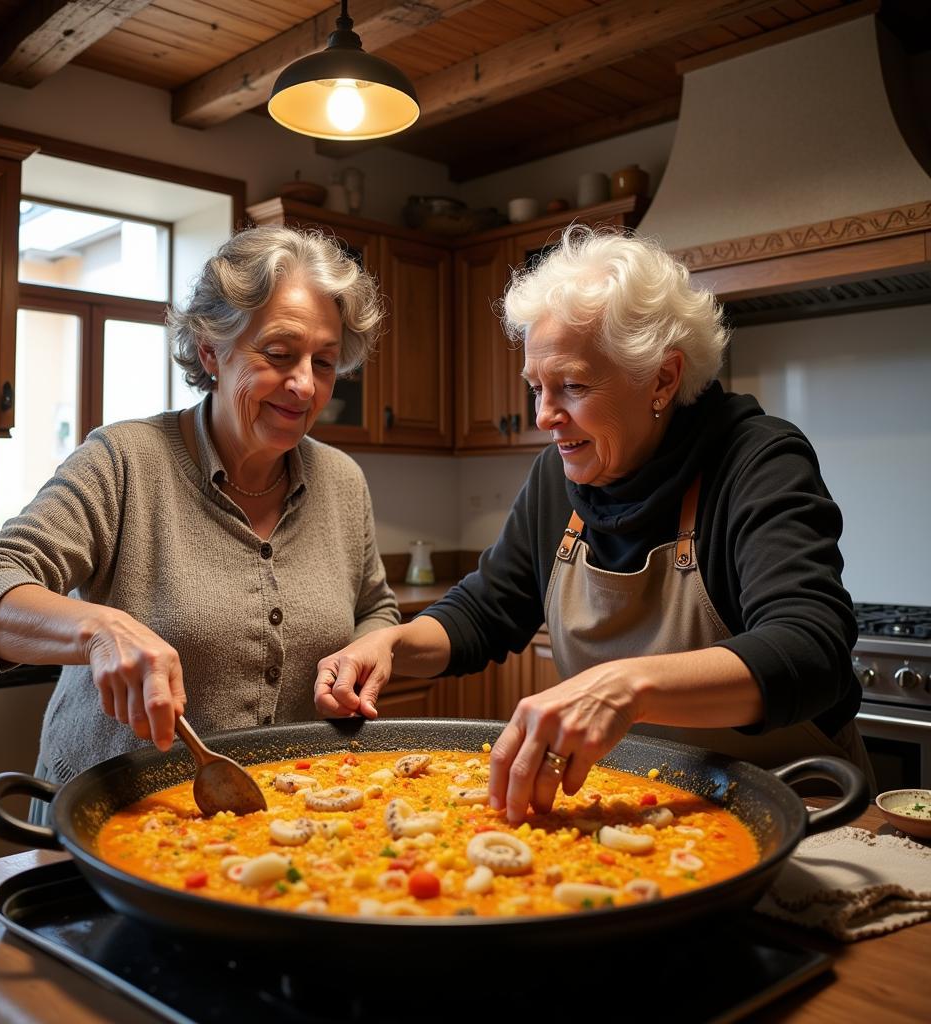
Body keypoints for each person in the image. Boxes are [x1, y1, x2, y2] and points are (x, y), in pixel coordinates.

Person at [315, 225, 874, 824]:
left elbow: (810, 649)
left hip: (789, 806)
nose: (544, 417)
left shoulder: (755, 460)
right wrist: (393, 641)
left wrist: (625, 688)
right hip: (635, 808)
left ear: (662, 377)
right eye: (536, 388)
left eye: (573, 386)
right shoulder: (559, 477)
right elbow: (484, 612)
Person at [0, 225, 400, 797]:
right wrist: (98, 631)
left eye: (325, 363)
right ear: (211, 350)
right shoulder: (125, 461)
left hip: (282, 818)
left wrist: (368, 647)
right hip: (114, 814)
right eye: (279, 354)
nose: (305, 385)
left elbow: (375, 608)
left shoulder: (342, 481)